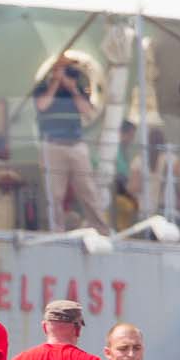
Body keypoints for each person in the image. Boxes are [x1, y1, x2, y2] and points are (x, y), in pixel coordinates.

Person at [33, 55, 113, 233]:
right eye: (61, 69)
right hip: (53, 145)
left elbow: (88, 112)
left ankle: (101, 228)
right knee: (55, 194)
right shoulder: (42, 88)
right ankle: (57, 230)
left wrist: (73, 89)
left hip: (76, 144)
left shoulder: (77, 89)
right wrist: (55, 83)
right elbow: (42, 105)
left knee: (88, 190)